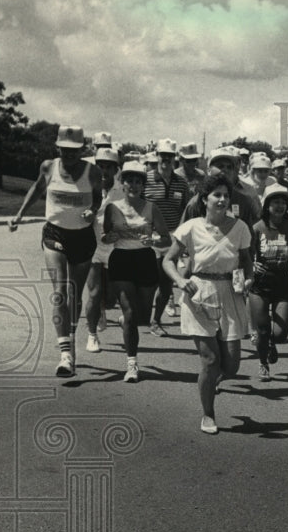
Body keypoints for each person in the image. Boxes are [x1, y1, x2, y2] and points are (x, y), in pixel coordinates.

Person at [162, 173, 254, 434]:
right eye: (217, 195)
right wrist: (180, 280)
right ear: (205, 199)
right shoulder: (190, 227)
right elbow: (168, 260)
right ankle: (208, 414)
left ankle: (212, 381)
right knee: (210, 359)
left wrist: (248, 279)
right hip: (199, 292)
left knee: (232, 366)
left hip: (231, 293)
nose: (222, 200)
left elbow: (246, 259)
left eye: (226, 195)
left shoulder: (240, 228)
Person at [9, 125, 103, 377]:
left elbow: (98, 197)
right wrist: (19, 215)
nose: (69, 154)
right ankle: (65, 355)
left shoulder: (92, 172)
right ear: (58, 147)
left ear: (83, 149)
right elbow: (37, 189)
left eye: (74, 150)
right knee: (60, 292)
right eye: (65, 149)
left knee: (75, 294)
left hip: (83, 237)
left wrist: (93, 210)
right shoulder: (48, 167)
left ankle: (70, 334)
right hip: (55, 234)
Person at [102, 161, 172, 382]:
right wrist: (109, 238)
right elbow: (105, 235)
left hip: (145, 260)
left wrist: (153, 239)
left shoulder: (151, 208)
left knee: (141, 316)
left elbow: (166, 238)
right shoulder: (112, 208)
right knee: (131, 313)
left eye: (138, 181)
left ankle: (127, 321)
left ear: (143, 185)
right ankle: (131, 364)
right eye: (129, 180)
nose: (133, 185)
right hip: (121, 260)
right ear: (122, 183)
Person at [249, 185, 288, 382]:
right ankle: (263, 362)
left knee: (280, 334)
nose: (279, 206)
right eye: (275, 202)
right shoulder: (257, 228)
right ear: (267, 205)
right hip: (260, 283)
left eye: (283, 202)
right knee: (262, 329)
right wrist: (253, 265)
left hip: (282, 283)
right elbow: (246, 254)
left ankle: (272, 343)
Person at [143, 138, 189, 336]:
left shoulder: (182, 183)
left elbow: (185, 211)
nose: (166, 160)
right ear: (157, 156)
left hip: (173, 238)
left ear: (175, 158)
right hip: (150, 237)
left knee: (166, 284)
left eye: (170, 156)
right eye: (163, 156)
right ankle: (141, 316)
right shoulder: (146, 179)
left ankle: (155, 321)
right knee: (148, 283)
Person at [84, 147, 123, 353]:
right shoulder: (87, 186)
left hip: (115, 250)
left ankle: (102, 309)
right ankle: (92, 335)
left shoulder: (123, 190)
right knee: (94, 292)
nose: (104, 170)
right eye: (100, 166)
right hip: (93, 247)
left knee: (109, 301)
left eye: (109, 167)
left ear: (116, 169)